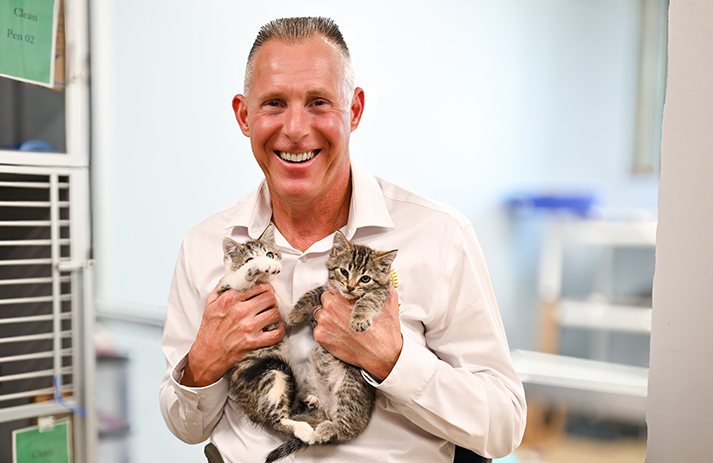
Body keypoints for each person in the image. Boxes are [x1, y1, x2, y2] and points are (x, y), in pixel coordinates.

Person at [159, 17, 526, 463]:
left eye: (318, 103)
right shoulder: (203, 247)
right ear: (244, 116)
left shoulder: (440, 236)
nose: (295, 128)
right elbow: (186, 427)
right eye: (274, 103)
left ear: (353, 110)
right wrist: (203, 362)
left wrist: (394, 361)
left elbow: (504, 425)